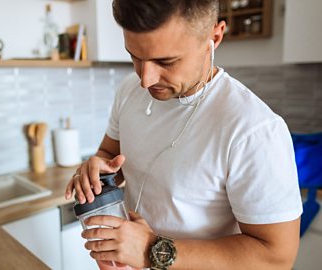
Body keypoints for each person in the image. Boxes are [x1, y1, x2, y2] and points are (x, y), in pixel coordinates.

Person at [65, 0, 303, 269]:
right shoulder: (129, 90)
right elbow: (109, 156)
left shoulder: (254, 129)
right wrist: (97, 171)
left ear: (214, 37)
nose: (146, 79)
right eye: (135, 57)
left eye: (166, 61)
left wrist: (152, 250)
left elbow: (276, 257)